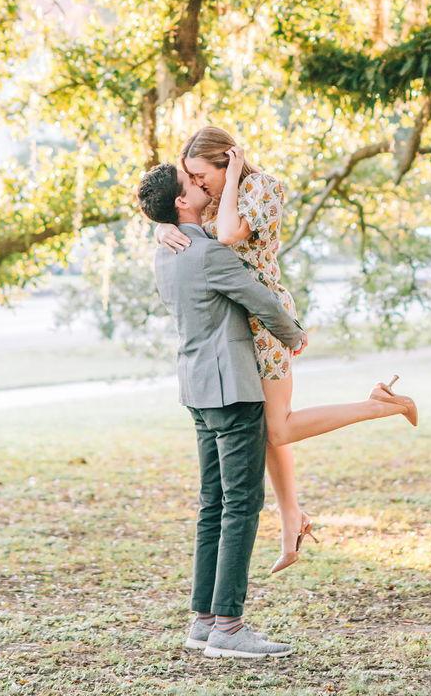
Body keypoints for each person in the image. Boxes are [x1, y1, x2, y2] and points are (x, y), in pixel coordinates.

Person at [151, 124, 418, 574]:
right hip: (232, 326)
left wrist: (232, 177)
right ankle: (292, 517)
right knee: (264, 428)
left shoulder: (262, 188)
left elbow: (229, 235)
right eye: (191, 179)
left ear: (228, 161)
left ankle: (381, 405)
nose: (197, 184)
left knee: (278, 430)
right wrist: (161, 230)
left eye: (201, 175)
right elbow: (186, 223)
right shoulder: (210, 197)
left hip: (265, 320)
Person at [138, 160, 303, 659]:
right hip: (232, 389)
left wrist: (161, 226)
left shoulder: (165, 254)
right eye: (191, 182)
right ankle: (229, 627)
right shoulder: (209, 253)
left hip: (196, 389)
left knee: (213, 504)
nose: (199, 183)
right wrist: (295, 336)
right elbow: (261, 301)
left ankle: (204, 620)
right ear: (181, 202)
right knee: (242, 505)